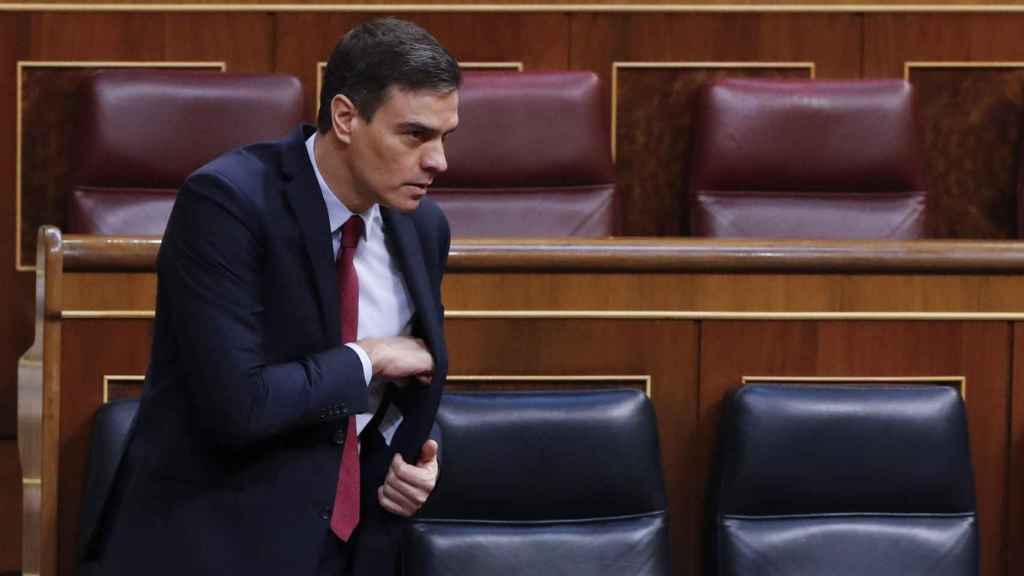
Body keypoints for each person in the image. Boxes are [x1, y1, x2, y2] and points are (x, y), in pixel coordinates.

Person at [85, 18, 460, 576]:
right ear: (345, 117)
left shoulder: (423, 227)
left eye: (444, 137)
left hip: (353, 547)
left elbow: (409, 385)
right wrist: (369, 357)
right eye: (414, 135)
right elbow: (237, 405)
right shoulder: (228, 204)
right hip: (217, 543)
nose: (439, 162)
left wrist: (413, 454)